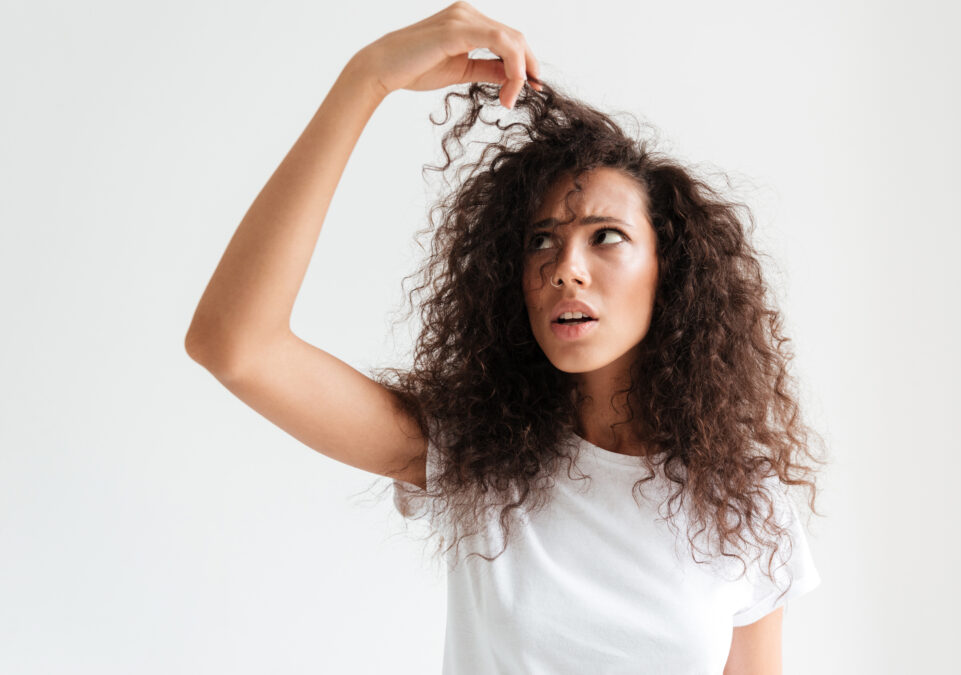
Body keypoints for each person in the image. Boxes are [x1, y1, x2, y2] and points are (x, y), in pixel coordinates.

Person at [185, 3, 826, 673]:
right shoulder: (479, 456)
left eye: (606, 236)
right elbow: (236, 345)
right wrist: (366, 79)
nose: (564, 268)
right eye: (541, 241)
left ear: (672, 272)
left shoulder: (745, 502)